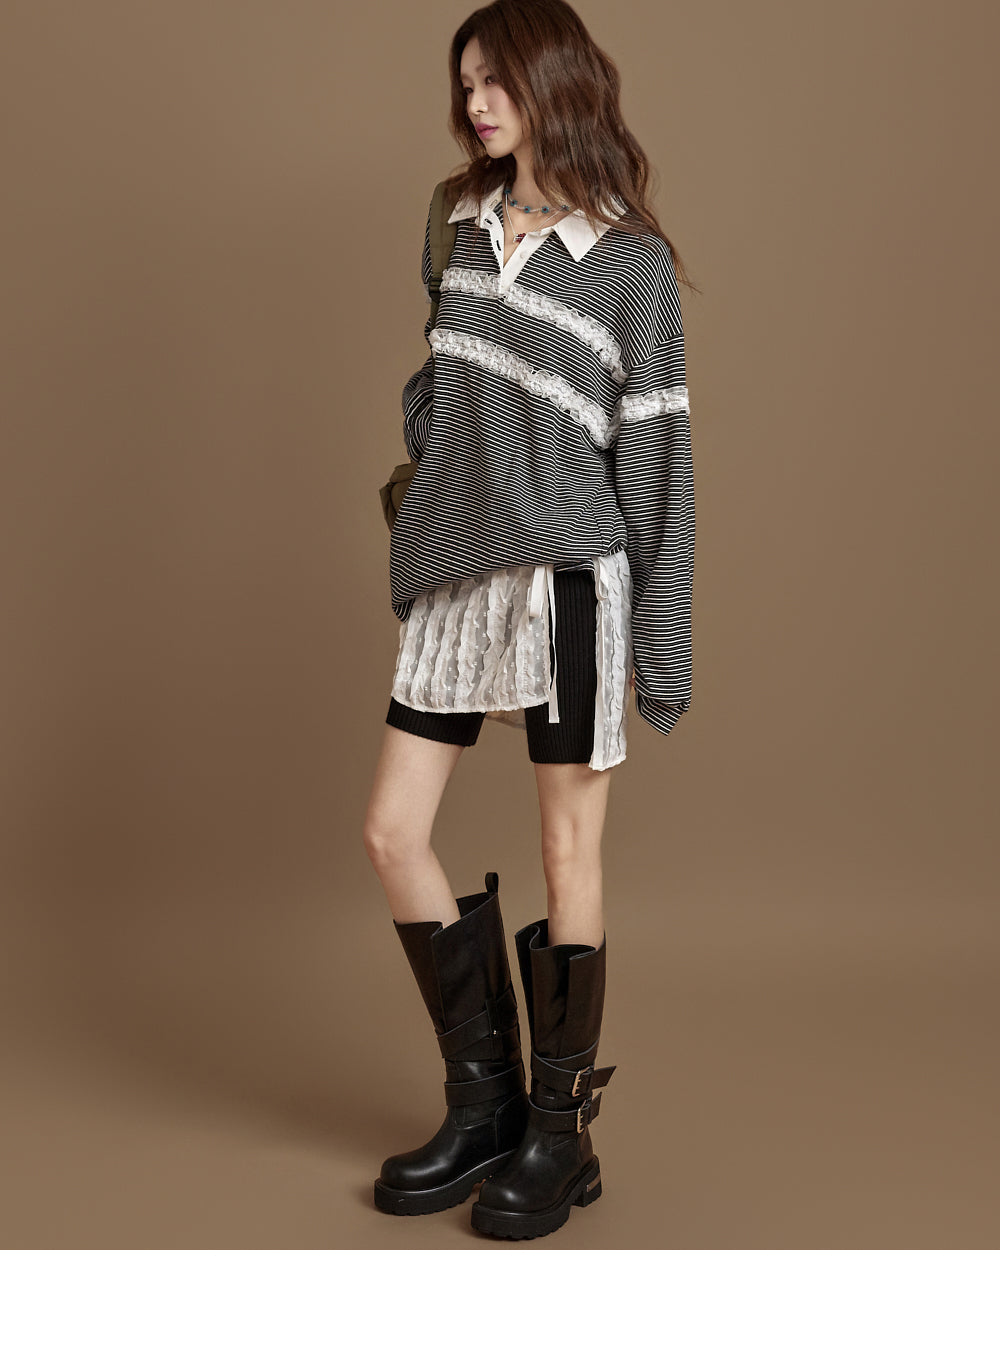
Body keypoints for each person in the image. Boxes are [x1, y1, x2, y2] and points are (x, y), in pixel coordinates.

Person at [362, 0, 697, 1241]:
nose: (475, 105)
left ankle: (560, 1137)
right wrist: (444, 469)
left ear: (554, 81)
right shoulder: (454, 220)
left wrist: (659, 636)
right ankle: (484, 1101)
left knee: (567, 855)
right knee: (392, 832)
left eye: (494, 81)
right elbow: (441, 382)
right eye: (465, 85)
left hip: (568, 576)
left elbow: (657, 464)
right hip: (457, 567)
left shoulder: (631, 266)